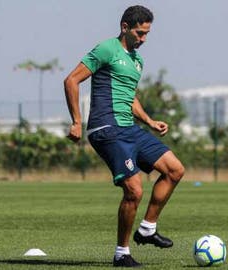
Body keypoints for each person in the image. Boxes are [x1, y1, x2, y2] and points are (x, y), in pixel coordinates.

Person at [63, 5, 184, 267]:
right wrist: (76, 121)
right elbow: (71, 80)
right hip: (106, 128)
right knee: (134, 190)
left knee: (174, 169)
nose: (144, 39)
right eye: (140, 33)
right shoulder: (106, 49)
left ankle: (148, 229)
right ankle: (122, 254)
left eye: (147, 34)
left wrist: (150, 121)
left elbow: (129, 97)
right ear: (125, 28)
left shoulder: (137, 61)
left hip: (129, 128)